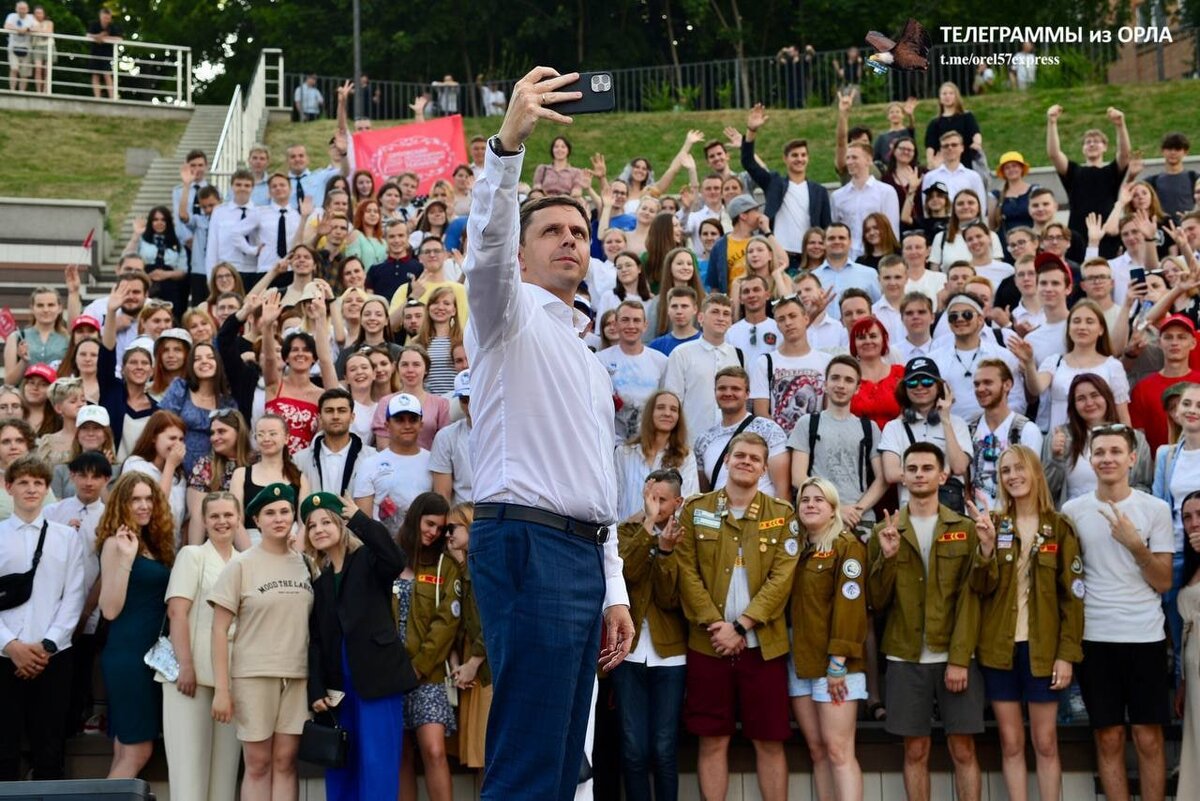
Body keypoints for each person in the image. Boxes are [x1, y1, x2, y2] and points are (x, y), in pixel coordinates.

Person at [462, 68, 635, 801]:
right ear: (525, 253)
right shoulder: (505, 314)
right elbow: (486, 245)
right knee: (531, 760)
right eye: (552, 231)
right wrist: (508, 148)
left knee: (566, 765)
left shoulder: (593, 363)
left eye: (578, 232)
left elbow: (601, 481)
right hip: (525, 542)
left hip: (582, 552)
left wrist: (615, 588)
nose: (568, 240)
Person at [675, 433, 798, 801]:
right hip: (708, 644)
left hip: (764, 647)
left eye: (754, 458)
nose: (746, 462)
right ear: (726, 460)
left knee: (770, 741)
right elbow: (686, 570)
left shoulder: (781, 515)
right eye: (739, 455)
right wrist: (718, 626)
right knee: (713, 741)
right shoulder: (696, 510)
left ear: (764, 468)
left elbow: (782, 579)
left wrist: (741, 626)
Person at [1062, 424, 1173, 801]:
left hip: (1145, 637)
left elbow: (1163, 582)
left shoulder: (1155, 509)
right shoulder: (1072, 511)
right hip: (1095, 637)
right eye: (1100, 452)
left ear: (1132, 458)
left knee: (1148, 738)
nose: (1107, 458)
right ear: (1089, 460)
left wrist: (1136, 547)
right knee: (1107, 738)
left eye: (1115, 451)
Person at [868, 442, 983, 801]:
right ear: (901, 475)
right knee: (914, 751)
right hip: (905, 658)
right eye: (912, 468)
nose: (919, 475)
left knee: (963, 750)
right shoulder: (885, 531)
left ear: (943, 475)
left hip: (954, 655)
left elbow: (972, 599)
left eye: (927, 468)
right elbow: (876, 601)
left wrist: (960, 659)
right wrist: (887, 559)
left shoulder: (964, 530)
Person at [973, 445, 1082, 801]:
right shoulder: (996, 524)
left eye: (1019, 468)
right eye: (1005, 471)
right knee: (1010, 741)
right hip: (1000, 650)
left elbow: (1073, 598)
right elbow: (980, 588)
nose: (1013, 476)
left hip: (1043, 650)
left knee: (1046, 742)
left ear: (1035, 472)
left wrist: (1066, 655)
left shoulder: (1060, 527)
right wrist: (986, 549)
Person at [304, 490, 416, 801]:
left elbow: (395, 558)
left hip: (377, 678)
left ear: (341, 525)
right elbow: (315, 641)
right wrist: (316, 689)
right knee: (341, 763)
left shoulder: (367, 560)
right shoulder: (320, 582)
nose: (319, 530)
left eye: (326, 521)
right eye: (312, 526)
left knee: (378, 763)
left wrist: (360, 520)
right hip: (338, 688)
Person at [210, 483, 312, 801]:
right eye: (270, 513)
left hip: (298, 676)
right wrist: (222, 691)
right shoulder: (241, 564)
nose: (279, 518)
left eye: (285, 511)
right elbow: (218, 630)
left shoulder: (306, 563)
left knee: (285, 762)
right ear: (257, 520)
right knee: (257, 764)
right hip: (253, 674)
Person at [0, 455, 84, 781]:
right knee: (3, 749)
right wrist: (11, 645)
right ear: (9, 487)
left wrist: (47, 645)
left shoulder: (66, 537)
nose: (31, 489)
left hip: (52, 658)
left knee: (50, 750)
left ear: (47, 488)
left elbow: (73, 596)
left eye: (38, 483)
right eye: (23, 482)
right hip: (4, 657)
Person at [789, 477, 868, 801]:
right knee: (818, 751)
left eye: (819, 500)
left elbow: (851, 608)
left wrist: (838, 662)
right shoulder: (794, 550)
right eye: (805, 499)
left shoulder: (846, 546)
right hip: (801, 664)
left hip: (836, 665)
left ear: (834, 508)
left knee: (839, 752)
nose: (810, 504)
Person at [612, 469, 687, 801]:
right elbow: (624, 575)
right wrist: (647, 528)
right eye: (650, 498)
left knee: (664, 748)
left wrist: (667, 552)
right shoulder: (626, 531)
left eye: (661, 500)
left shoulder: (685, 535)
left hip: (670, 655)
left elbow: (672, 598)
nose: (654, 506)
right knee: (633, 748)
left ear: (677, 501)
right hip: (628, 653)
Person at [160, 491, 241, 801]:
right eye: (215, 516)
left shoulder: (244, 561)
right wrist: (186, 666)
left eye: (228, 515)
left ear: (238, 519)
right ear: (204, 521)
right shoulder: (192, 555)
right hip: (189, 676)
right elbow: (177, 613)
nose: (222, 522)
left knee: (224, 778)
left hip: (230, 678)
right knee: (189, 775)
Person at [97, 472, 175, 778]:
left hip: (148, 657)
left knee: (125, 750)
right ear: (122, 504)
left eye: (148, 499)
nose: (143, 505)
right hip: (128, 657)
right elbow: (110, 610)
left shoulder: (154, 543)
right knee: (138, 750)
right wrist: (127, 559)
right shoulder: (116, 544)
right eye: (135, 499)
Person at [393, 492, 459, 801]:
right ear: (415, 517)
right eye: (429, 523)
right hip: (391, 674)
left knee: (434, 751)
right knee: (401, 754)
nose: (433, 532)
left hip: (427, 674)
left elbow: (447, 621)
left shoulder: (445, 565)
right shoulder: (391, 556)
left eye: (440, 528)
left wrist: (419, 665)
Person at [791, 356, 886, 532]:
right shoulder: (808, 423)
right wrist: (835, 510)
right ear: (825, 384)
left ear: (857, 388)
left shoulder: (869, 428)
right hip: (819, 518)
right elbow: (798, 477)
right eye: (835, 378)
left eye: (849, 380)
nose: (841, 385)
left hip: (860, 520)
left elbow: (882, 479)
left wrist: (856, 511)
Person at [740, 103, 831, 269]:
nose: (799, 159)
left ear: (808, 158)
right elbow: (748, 162)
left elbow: (826, 227)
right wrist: (751, 131)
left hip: (809, 260)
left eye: (803, 155)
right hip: (778, 257)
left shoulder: (819, 191)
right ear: (785, 159)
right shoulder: (774, 183)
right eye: (794, 155)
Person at [878, 358, 972, 509]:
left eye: (927, 381)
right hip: (910, 509)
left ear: (940, 387)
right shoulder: (894, 427)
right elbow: (891, 473)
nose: (920, 387)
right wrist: (937, 475)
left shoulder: (957, 423)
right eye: (912, 383)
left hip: (950, 509)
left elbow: (960, 467)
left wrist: (945, 420)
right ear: (905, 388)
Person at [1046, 104, 1131, 262]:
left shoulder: (1111, 171)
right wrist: (1052, 123)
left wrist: (1120, 125)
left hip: (1107, 232)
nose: (1092, 144)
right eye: (1088, 142)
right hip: (1077, 233)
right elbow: (1054, 154)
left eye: (1097, 141)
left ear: (1105, 147)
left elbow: (1125, 154)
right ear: (1083, 149)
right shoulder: (1074, 171)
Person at [694, 365, 789, 497]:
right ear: (715, 392)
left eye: (735, 389)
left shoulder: (769, 430)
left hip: (762, 514)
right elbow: (704, 493)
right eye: (722, 388)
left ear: (747, 394)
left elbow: (783, 487)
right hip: (720, 514)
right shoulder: (703, 440)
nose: (728, 393)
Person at [749, 294, 832, 434]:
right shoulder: (764, 362)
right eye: (781, 319)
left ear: (806, 318)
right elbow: (761, 413)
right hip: (778, 445)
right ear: (777, 326)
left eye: (793, 316)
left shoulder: (827, 361)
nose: (788, 322)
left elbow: (829, 411)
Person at [662, 293, 740, 436]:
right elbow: (673, 401)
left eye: (726, 314)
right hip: (691, 441)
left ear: (731, 321)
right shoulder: (681, 354)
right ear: (700, 318)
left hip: (731, 441)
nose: (721, 318)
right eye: (715, 312)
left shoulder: (739, 356)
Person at [353, 393, 431, 533]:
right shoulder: (369, 464)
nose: (407, 425)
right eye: (399, 420)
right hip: (384, 548)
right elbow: (363, 521)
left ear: (421, 425)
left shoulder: (433, 462)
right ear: (387, 425)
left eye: (413, 420)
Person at [970, 360, 1043, 505]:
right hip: (975, 519)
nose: (980, 389)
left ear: (1007, 385)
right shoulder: (970, 429)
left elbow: (1031, 480)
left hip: (1012, 518)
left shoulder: (1027, 430)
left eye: (988, 382)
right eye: (977, 384)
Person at [598, 300, 669, 443]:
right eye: (625, 320)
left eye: (636, 320)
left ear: (645, 325)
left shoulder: (661, 361)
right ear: (616, 324)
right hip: (611, 444)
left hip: (651, 443)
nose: (631, 326)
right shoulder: (600, 360)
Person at [1131, 315, 1200, 451]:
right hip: (1157, 466)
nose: (1174, 342)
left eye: (1181, 337)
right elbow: (1138, 438)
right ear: (1159, 342)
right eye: (1168, 337)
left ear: (1193, 343)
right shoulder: (1142, 388)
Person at [295, 387, 377, 497]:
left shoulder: (371, 458)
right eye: (329, 411)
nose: (335, 416)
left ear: (352, 417)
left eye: (342, 411)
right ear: (319, 417)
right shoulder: (299, 460)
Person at [832, 144, 899, 256]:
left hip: (877, 257)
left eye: (854, 157)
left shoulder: (886, 192)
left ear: (868, 160)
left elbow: (892, 231)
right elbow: (835, 230)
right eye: (847, 158)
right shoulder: (837, 196)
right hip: (848, 259)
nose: (849, 162)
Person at [1176, 490, 1200, 798]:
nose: (1195, 523)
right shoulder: (1188, 567)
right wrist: (1180, 680)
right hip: (1193, 669)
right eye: (1187, 517)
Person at [430, 370, 473, 505]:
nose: (469, 405)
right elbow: (443, 496)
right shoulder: (446, 436)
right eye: (464, 400)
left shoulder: (504, 433)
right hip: (461, 517)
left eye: (473, 397)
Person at [85, 6, 121, 99]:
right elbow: (88, 35)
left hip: (107, 55)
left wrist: (104, 38)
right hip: (95, 53)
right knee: (95, 75)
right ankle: (97, 97)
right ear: (100, 16)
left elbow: (119, 39)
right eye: (105, 18)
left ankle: (112, 97)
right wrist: (98, 36)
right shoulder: (94, 25)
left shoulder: (112, 27)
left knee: (107, 75)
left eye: (108, 18)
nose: (106, 20)